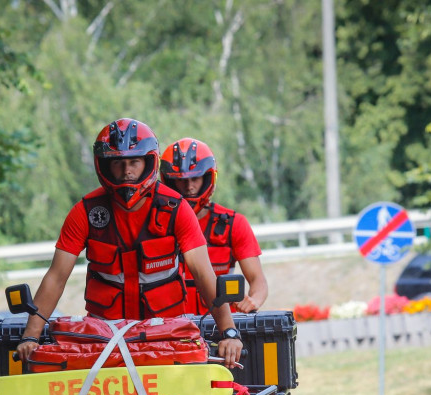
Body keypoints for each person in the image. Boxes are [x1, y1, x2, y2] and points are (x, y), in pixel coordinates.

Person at [15, 118, 243, 367]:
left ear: (148, 161)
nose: (126, 171)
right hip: (103, 338)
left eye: (134, 161)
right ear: (104, 165)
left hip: (167, 335)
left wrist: (229, 332)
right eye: (118, 163)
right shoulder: (85, 211)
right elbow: (56, 276)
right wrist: (31, 335)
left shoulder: (176, 207)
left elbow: (202, 273)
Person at [160, 137, 268, 315]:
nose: (189, 187)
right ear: (169, 180)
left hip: (221, 328)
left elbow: (258, 280)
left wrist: (254, 300)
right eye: (181, 180)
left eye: (195, 178)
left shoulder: (234, 224)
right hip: (172, 327)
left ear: (208, 176)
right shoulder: (154, 223)